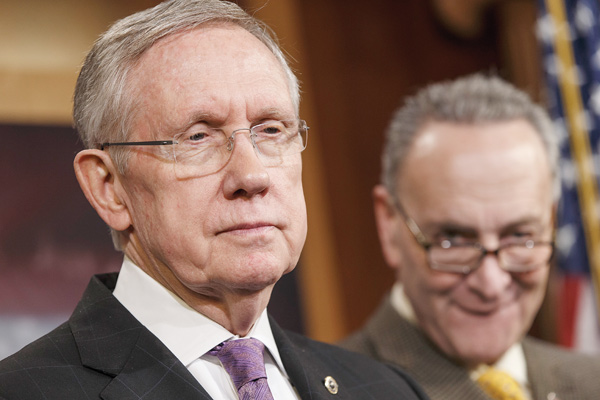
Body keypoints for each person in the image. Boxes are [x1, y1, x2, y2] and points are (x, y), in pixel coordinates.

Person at [0, 1, 430, 399]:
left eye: (270, 129)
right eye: (199, 136)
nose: (252, 175)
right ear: (109, 187)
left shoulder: (386, 390)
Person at [341, 74, 600, 400]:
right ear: (389, 224)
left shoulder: (593, 383)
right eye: (453, 240)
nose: (491, 285)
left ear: (550, 220)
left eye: (520, 236)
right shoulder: (329, 391)